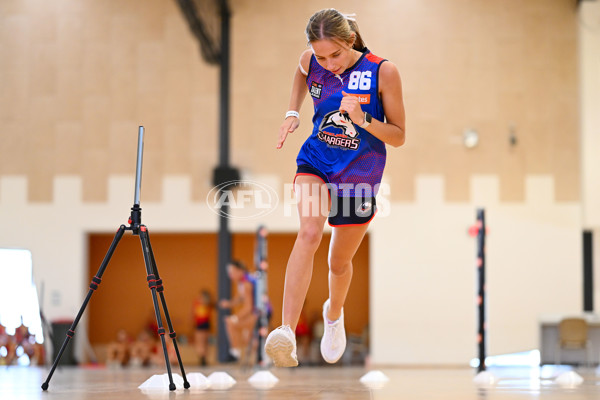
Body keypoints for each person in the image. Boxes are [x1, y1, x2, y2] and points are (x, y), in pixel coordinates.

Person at [265, 8, 405, 367]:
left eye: (336, 55)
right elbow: (301, 74)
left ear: (351, 41)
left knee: (338, 263)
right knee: (309, 233)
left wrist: (363, 119)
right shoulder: (311, 61)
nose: (329, 64)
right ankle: (285, 332)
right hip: (316, 160)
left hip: (361, 173)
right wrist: (292, 113)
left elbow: (400, 136)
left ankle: (333, 313)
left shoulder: (382, 71)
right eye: (322, 56)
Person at [219, 261, 258, 361]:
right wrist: (229, 303)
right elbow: (240, 299)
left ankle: (235, 351)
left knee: (231, 323)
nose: (230, 275)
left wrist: (235, 317)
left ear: (240, 271)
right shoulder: (242, 282)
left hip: (260, 313)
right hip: (255, 312)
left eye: (232, 272)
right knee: (245, 336)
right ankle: (237, 351)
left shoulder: (246, 283)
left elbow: (249, 307)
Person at [191, 289, 213, 366]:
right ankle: (203, 358)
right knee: (203, 342)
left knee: (202, 342)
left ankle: (203, 358)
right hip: (203, 324)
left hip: (202, 324)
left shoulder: (201, 303)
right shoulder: (202, 303)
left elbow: (194, 313)